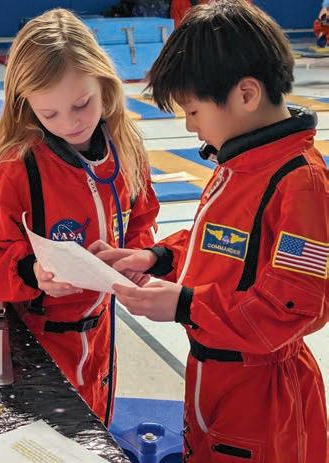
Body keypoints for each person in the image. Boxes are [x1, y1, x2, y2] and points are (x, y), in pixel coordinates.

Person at [92, 1, 328, 461]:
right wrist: (156, 258)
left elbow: (293, 308)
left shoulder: (300, 184)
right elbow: (223, 246)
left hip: (263, 397)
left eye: (194, 111)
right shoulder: (241, 163)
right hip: (215, 375)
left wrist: (185, 304)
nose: (189, 125)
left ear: (246, 95)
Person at [0, 8, 159, 423]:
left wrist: (137, 259)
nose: (71, 123)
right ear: (26, 106)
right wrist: (32, 272)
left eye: (83, 104)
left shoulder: (126, 149)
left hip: (100, 335)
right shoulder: (13, 168)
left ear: (105, 85)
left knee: (98, 430)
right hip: (39, 344)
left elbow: (141, 218)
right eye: (49, 114)